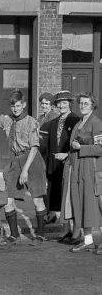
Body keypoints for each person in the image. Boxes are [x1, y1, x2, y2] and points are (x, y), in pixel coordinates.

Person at [0, 89, 47, 246]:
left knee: (37, 199)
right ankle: (14, 235)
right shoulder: (7, 120)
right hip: (16, 161)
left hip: (32, 162)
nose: (16, 109)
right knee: (7, 199)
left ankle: (40, 235)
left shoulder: (31, 122)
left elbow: (34, 147)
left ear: (24, 105)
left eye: (18, 106)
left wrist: (25, 169)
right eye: (13, 106)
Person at [59, 93, 102, 253]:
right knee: (82, 204)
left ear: (93, 105)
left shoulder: (96, 123)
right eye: (81, 103)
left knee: (94, 206)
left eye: (86, 103)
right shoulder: (78, 124)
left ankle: (100, 242)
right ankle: (88, 240)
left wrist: (81, 148)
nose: (83, 106)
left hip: (90, 170)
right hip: (77, 170)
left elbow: (100, 148)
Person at [42, 91, 80, 228]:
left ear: (69, 104)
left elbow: (78, 143)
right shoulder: (53, 122)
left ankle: (72, 228)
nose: (61, 106)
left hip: (68, 162)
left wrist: (67, 154)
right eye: (59, 103)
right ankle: (55, 216)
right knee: (54, 190)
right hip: (53, 163)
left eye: (64, 103)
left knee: (68, 195)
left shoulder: (76, 120)